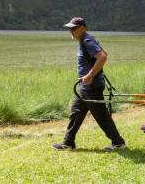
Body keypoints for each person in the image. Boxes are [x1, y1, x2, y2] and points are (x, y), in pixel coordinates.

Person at [52, 17, 126, 151]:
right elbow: (104, 53)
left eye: (74, 28)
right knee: (76, 112)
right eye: (70, 29)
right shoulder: (85, 40)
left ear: (83, 28)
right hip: (84, 87)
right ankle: (68, 142)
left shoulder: (87, 40)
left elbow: (102, 57)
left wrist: (90, 75)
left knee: (101, 116)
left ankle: (118, 142)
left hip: (92, 87)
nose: (71, 31)